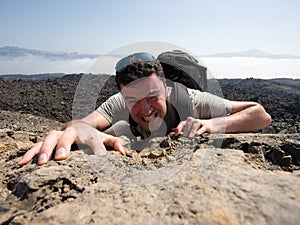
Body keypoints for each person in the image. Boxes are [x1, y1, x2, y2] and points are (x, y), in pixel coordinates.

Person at [18, 52, 272, 166]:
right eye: (134, 100)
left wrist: (211, 124)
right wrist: (83, 133)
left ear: (166, 87)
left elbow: (260, 115)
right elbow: (77, 125)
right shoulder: (119, 103)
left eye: (153, 96)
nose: (146, 108)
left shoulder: (190, 99)